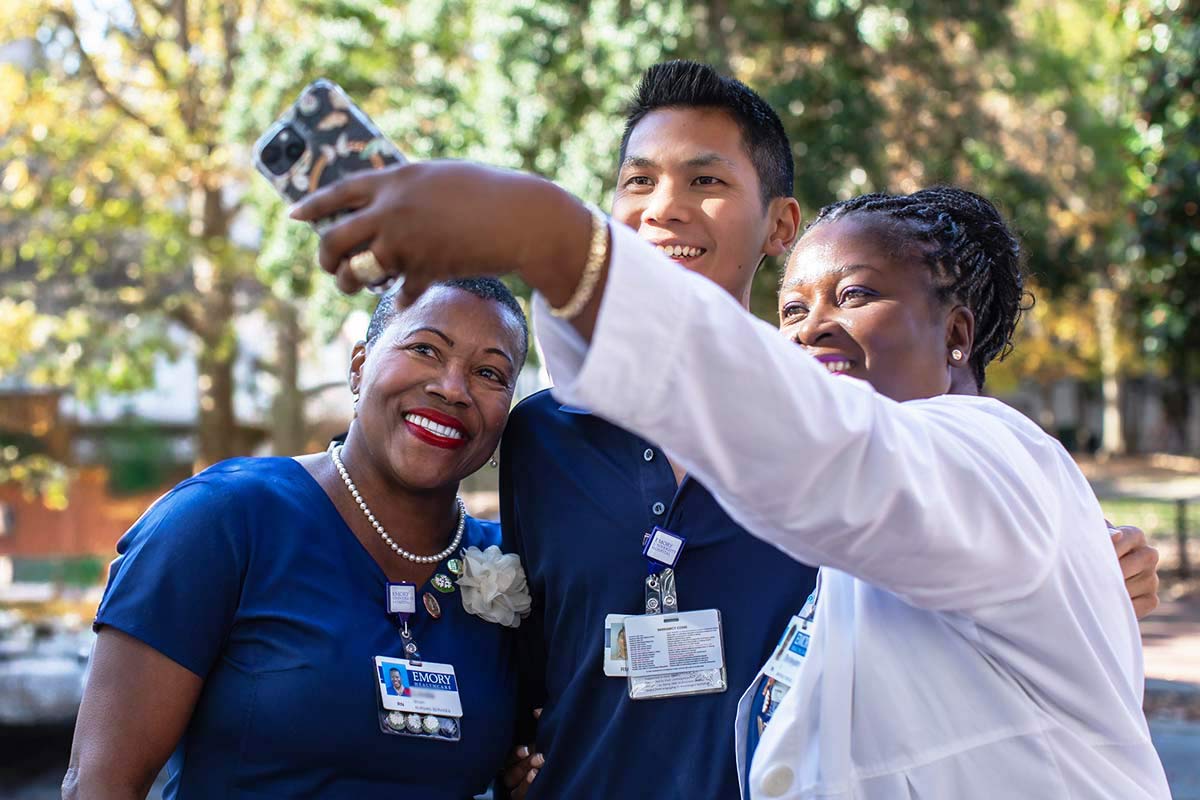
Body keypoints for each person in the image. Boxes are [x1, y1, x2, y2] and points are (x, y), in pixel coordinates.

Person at [292, 60, 1162, 799]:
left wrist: (543, 234)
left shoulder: (976, 461)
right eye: (795, 310)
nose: (816, 328)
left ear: (958, 333)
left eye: (856, 297)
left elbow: (833, 456)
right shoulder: (556, 437)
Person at [64, 278, 532, 800]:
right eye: (425, 348)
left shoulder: (512, 566)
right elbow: (99, 784)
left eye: (489, 373)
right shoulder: (225, 519)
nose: (452, 387)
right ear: (358, 367)